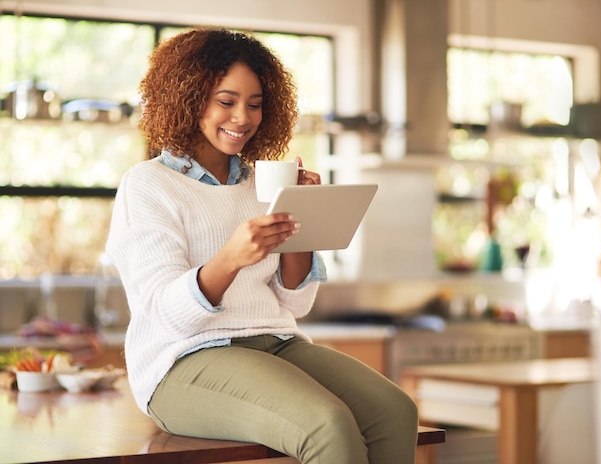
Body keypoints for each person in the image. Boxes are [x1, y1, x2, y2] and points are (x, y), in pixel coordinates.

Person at [105, 26, 418, 464]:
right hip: (181, 361)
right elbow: (164, 316)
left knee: (394, 410)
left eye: (254, 104)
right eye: (226, 101)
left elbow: (295, 300)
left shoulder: (262, 182)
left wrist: (304, 219)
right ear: (189, 97)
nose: (242, 118)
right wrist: (231, 258)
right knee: (326, 424)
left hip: (275, 340)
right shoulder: (148, 185)